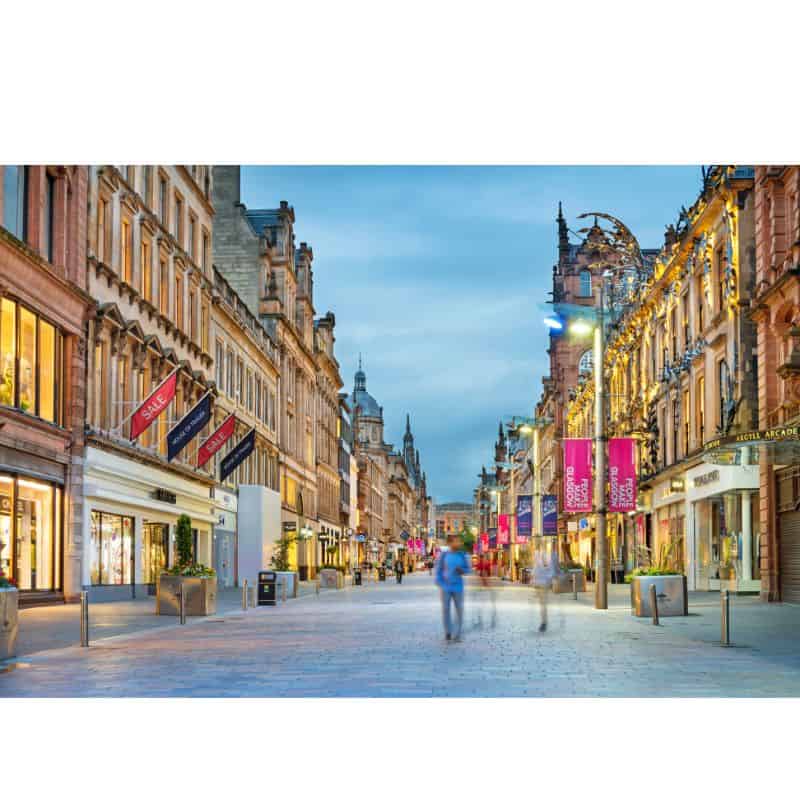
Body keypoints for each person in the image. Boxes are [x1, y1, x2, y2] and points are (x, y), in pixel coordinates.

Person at [435, 534, 471, 642]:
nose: (458, 543)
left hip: (458, 587)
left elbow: (468, 569)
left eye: (459, 541)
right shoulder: (444, 555)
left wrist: (462, 570)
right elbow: (438, 570)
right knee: (446, 609)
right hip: (446, 587)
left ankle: (457, 633)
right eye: (456, 541)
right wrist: (441, 582)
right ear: (449, 543)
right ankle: (448, 632)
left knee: (459, 610)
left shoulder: (462, 555)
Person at [532, 547, 557, 632]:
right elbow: (535, 573)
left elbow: (535, 573)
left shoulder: (544, 563)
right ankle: (544, 622)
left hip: (543, 586)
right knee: (542, 605)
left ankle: (544, 622)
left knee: (543, 605)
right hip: (541, 586)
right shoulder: (540, 563)